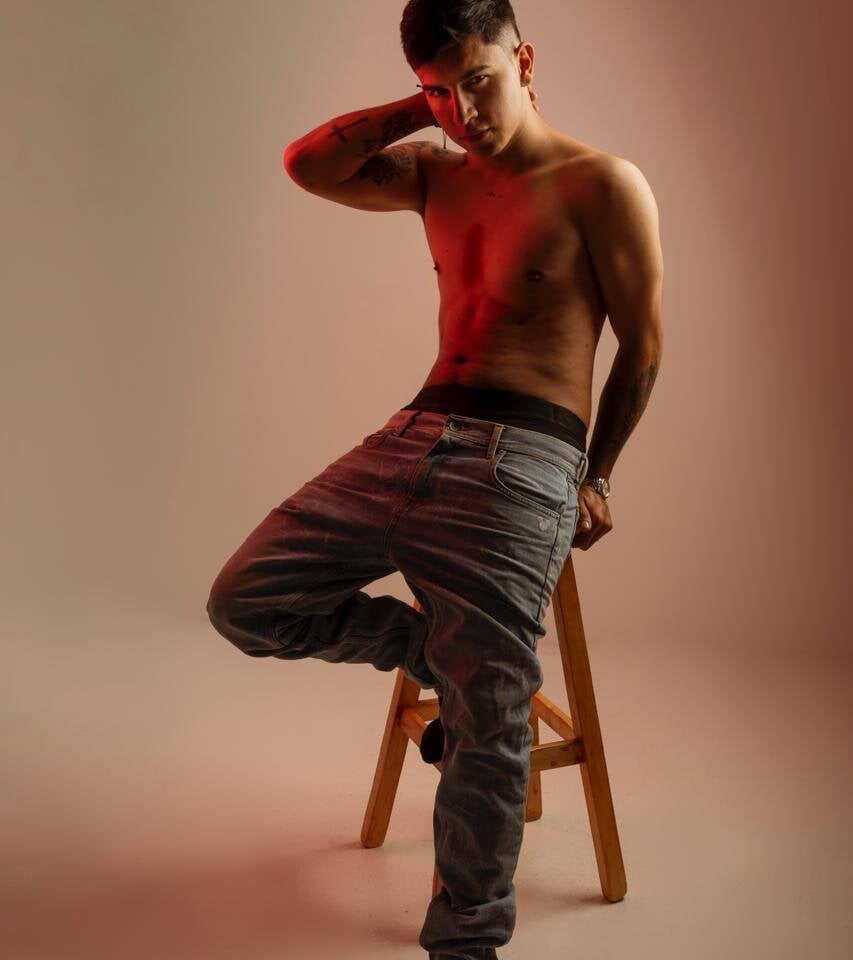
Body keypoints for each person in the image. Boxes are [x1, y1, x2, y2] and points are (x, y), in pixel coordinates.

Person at [207, 1, 664, 958]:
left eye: (479, 81)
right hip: (413, 432)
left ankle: (464, 942)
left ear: (525, 59)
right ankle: (435, 656)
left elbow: (644, 345)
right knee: (245, 601)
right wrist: (424, 109)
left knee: (491, 714)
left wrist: (599, 476)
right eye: (440, 92)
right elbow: (306, 166)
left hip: (528, 453)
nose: (465, 111)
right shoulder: (434, 173)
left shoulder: (599, 183)